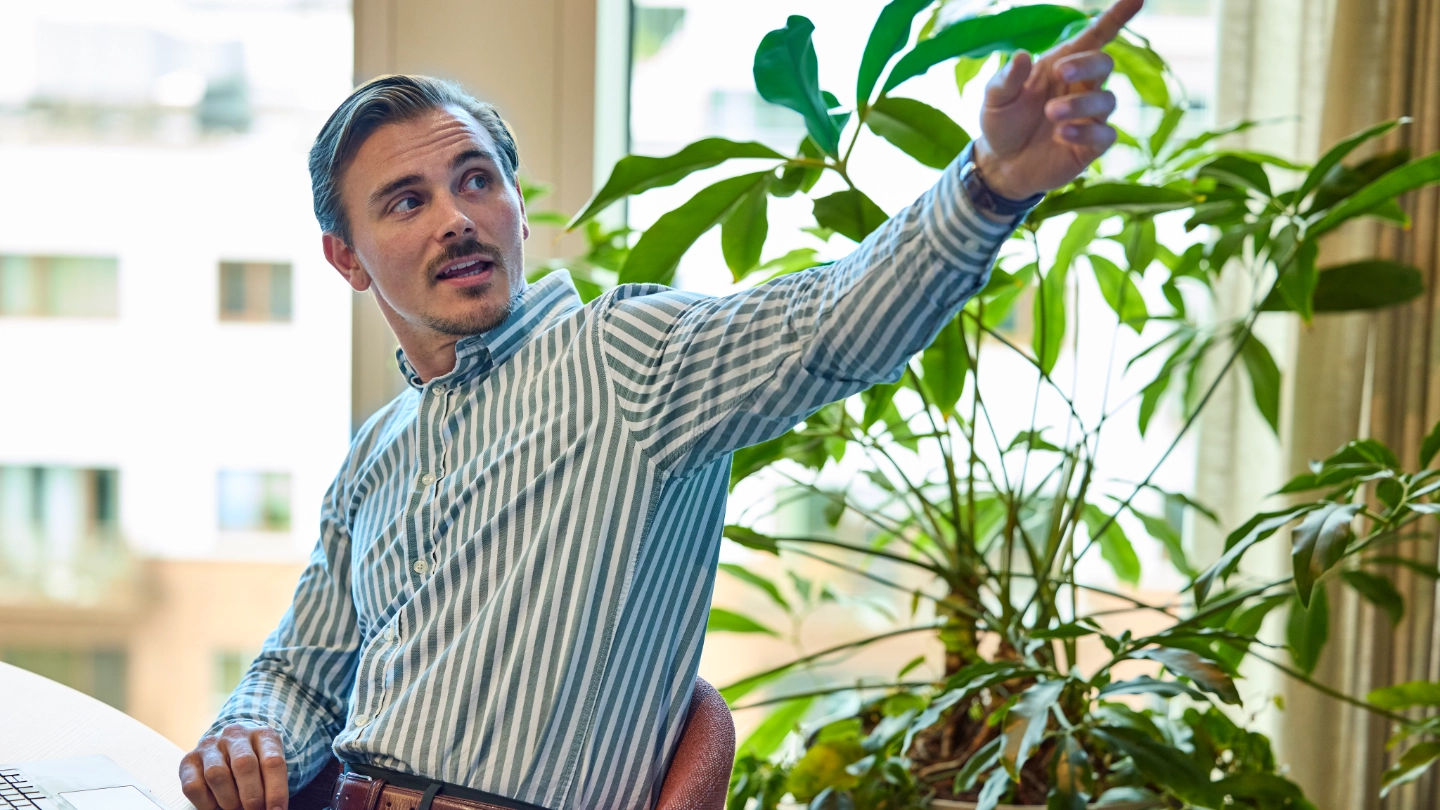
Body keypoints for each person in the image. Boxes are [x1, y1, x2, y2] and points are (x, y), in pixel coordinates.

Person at [180, 0, 1142, 808]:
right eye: (406, 201)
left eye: (476, 180)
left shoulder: (624, 359)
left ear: (517, 206)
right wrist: (245, 736)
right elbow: (299, 673)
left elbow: (831, 324)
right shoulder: (376, 451)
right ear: (346, 258)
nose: (457, 218)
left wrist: (989, 186)